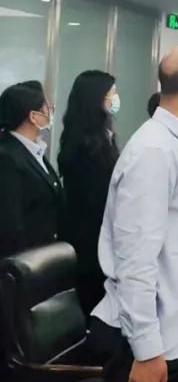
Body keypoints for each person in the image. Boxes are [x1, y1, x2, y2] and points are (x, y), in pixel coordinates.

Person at [88, 44, 178, 382]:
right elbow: (135, 260)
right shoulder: (154, 151)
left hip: (176, 337)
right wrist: (147, 350)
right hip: (145, 346)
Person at [57, 70, 120, 315]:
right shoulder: (85, 146)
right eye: (112, 93)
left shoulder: (103, 138)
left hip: (98, 236)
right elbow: (95, 198)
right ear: (97, 98)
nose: (116, 98)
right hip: (89, 241)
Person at [0, 81, 63, 257]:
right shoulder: (7, 157)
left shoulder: (35, 151)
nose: (50, 111)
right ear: (33, 116)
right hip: (26, 260)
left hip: (45, 254)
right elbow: (11, 223)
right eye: (46, 108)